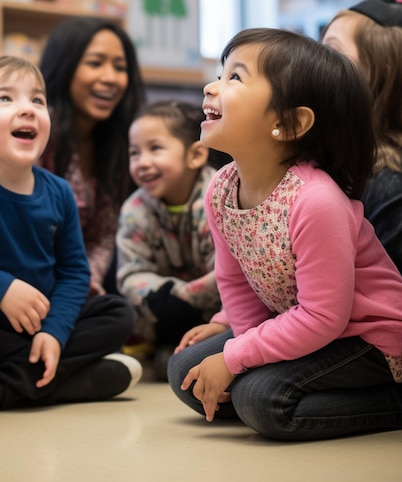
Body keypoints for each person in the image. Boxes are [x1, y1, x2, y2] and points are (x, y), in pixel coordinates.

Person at [167, 28, 402, 440]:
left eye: (234, 78)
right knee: (186, 371)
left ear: (289, 122)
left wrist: (237, 357)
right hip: (309, 329)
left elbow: (323, 316)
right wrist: (239, 341)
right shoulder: (222, 188)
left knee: (260, 399)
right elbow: (234, 282)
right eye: (221, 74)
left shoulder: (316, 201)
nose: (211, 86)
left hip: (372, 340)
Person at [0, 55, 142, 418]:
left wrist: (54, 332)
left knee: (118, 313)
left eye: (37, 100)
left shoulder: (60, 192)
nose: (28, 109)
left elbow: (74, 274)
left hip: (43, 325)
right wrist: (1, 289)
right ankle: (64, 380)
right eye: (6, 99)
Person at [39, 17, 146, 295]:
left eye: (120, 67)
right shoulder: (34, 133)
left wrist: (86, 282)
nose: (110, 78)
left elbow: (106, 234)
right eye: (95, 63)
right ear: (65, 67)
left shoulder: (122, 140)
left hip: (87, 281)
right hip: (30, 276)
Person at [116, 101, 220, 380]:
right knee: (118, 309)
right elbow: (130, 274)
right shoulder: (135, 209)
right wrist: (167, 291)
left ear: (195, 155)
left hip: (216, 310)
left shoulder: (219, 199)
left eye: (155, 148)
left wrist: (188, 295)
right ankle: (152, 354)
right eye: (134, 153)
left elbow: (228, 274)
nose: (142, 162)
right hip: (162, 308)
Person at [321, 0, 402, 274]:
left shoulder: (390, 187)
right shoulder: (331, 159)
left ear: (379, 74)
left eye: (331, 53)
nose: (314, 65)